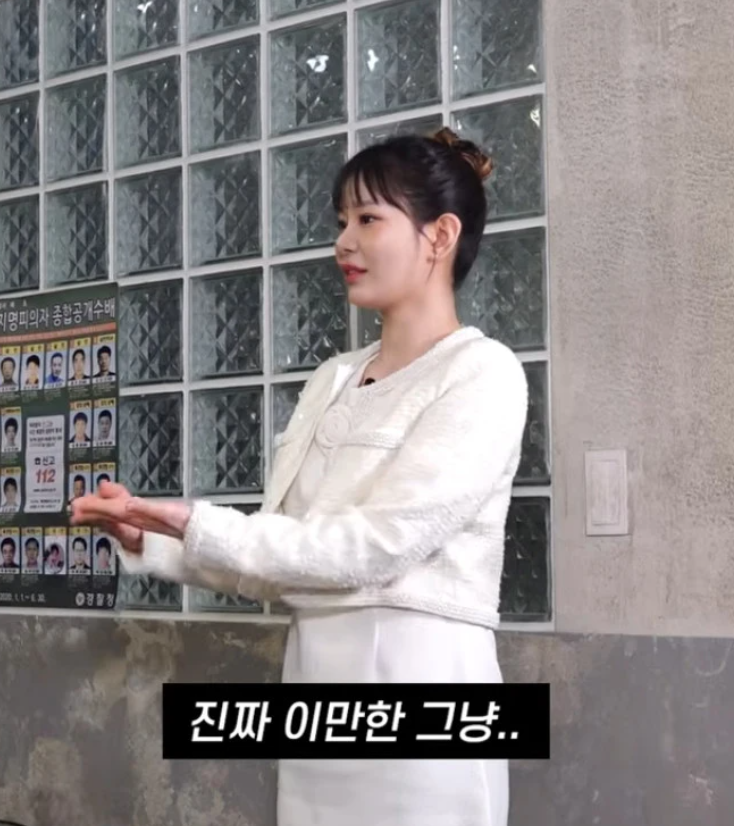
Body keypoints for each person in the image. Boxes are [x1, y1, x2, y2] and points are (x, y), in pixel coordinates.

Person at [70, 128, 527, 826]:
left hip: (423, 682)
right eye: (341, 221)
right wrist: (154, 539)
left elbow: (378, 546)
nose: (343, 241)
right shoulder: (332, 379)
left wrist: (196, 521)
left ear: (440, 236)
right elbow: (285, 552)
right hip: (315, 679)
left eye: (368, 219)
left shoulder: (481, 372)